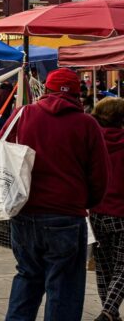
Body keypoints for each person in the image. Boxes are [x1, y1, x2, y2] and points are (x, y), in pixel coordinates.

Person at [0, 68, 110, 321]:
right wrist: (84, 202)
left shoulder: (23, 114)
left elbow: (4, 155)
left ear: (46, 89)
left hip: (25, 211)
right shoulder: (87, 124)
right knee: (64, 288)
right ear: (77, 94)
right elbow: (100, 176)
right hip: (66, 216)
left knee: (27, 277)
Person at [88, 98, 124, 321]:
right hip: (121, 213)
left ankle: (110, 314)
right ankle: (109, 312)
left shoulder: (92, 141)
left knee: (104, 266)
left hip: (96, 212)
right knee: (122, 266)